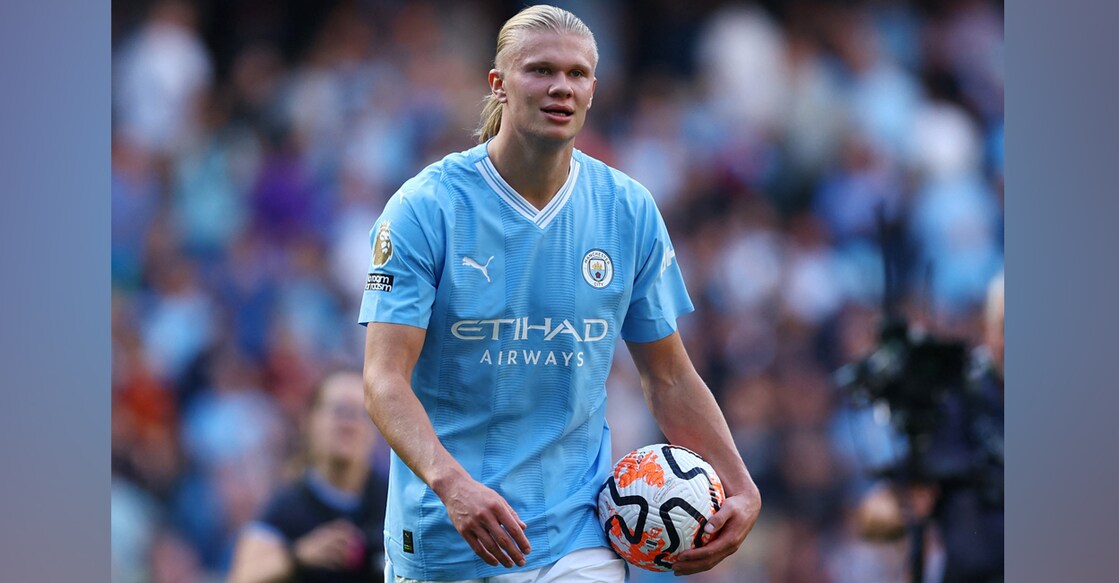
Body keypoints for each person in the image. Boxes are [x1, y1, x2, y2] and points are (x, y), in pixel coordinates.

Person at [358, 5, 761, 582]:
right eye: (540, 70)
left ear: (594, 89)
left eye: (576, 74)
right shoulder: (426, 208)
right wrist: (453, 485)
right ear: (498, 84)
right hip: (449, 538)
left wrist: (742, 486)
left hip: (579, 536)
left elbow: (668, 377)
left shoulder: (627, 210)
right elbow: (383, 379)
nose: (560, 88)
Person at [856, 271, 1004, 582]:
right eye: (1005, 328)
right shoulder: (955, 398)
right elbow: (876, 514)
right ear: (986, 329)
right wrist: (901, 511)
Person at [227, 370, 389, 583]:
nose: (349, 424)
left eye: (361, 413)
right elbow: (241, 577)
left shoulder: (391, 502)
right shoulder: (287, 506)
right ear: (309, 421)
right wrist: (299, 556)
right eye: (339, 411)